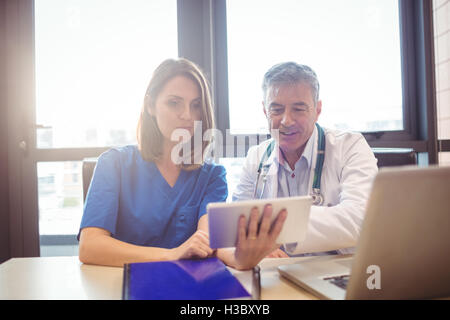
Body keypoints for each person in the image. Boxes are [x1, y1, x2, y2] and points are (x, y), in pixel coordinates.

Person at [78, 58, 286, 270]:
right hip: (120, 284)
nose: (187, 115)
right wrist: (171, 255)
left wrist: (246, 257)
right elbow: (90, 246)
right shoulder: (114, 164)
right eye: (174, 103)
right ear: (150, 105)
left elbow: (210, 243)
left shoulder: (212, 176)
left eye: (195, 106)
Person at [233, 61, 378, 257]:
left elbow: (361, 221)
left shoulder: (350, 147)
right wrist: (255, 247)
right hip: (277, 273)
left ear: (317, 110)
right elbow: (236, 228)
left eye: (298, 109)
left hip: (337, 273)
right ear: (265, 111)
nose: (286, 121)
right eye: (276, 109)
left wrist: (272, 230)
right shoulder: (256, 158)